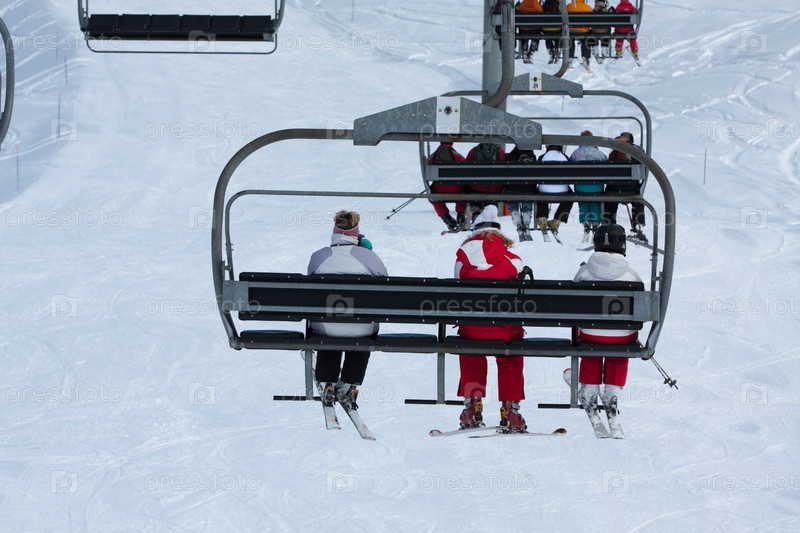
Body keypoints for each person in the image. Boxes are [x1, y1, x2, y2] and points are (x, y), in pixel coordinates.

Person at [455, 205, 528, 432]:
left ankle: (472, 407)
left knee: (471, 351)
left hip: (472, 330)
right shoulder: (513, 260)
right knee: (510, 355)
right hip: (505, 330)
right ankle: (511, 411)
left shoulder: (462, 260)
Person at [307, 210, 388, 410]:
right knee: (360, 330)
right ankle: (350, 384)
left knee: (329, 326)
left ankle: (327, 382)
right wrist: (366, 252)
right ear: (357, 234)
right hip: (363, 327)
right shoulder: (368, 257)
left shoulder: (319, 257)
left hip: (326, 327)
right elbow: (385, 283)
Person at [572, 223, 642, 418]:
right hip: (623, 337)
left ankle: (589, 390)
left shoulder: (585, 272)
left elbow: (572, 303)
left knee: (591, 351)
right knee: (618, 353)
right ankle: (612, 392)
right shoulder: (631, 275)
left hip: (590, 334)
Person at [603, 132, 645, 236]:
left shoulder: (614, 152)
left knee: (609, 201)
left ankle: (609, 226)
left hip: (613, 189)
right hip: (630, 189)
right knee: (639, 200)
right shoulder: (636, 151)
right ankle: (638, 225)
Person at [569, 130, 607, 240]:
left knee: (583, 203)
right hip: (597, 187)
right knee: (595, 203)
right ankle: (595, 224)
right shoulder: (600, 154)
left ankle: (585, 222)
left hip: (581, 187)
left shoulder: (576, 153)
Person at [427, 142, 468, 231]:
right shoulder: (457, 156)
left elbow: (427, 170)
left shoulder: (432, 157)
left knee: (432, 194)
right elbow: (467, 170)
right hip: (457, 189)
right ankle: (460, 214)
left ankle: (445, 217)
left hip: (439, 189)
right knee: (463, 190)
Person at [536, 144, 574, 234]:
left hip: (544, 190)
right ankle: (557, 220)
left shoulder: (542, 157)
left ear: (547, 147)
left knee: (539, 192)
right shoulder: (565, 157)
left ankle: (542, 218)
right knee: (571, 195)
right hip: (563, 191)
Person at [506, 146, 537, 241]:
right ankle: (526, 221)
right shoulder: (532, 157)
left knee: (511, 192)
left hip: (512, 190)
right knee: (528, 192)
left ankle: (516, 218)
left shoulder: (510, 156)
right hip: (528, 190)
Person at [566, 0, 593, 68]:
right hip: (583, 31)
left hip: (570, 30)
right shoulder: (586, 7)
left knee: (569, 39)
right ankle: (585, 57)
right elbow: (592, 17)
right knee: (586, 38)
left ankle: (569, 57)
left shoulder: (568, 6)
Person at [541, 0, 562, 64]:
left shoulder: (544, 6)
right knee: (558, 37)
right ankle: (558, 51)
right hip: (557, 29)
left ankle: (551, 53)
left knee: (548, 38)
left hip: (546, 29)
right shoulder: (560, 6)